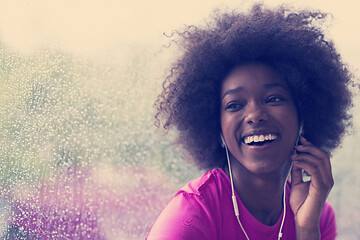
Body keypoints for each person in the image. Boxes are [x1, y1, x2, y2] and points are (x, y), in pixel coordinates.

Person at [147, 3, 353, 240]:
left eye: (273, 98)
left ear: (304, 113)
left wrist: (307, 229)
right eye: (235, 104)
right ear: (216, 128)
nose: (255, 115)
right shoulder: (191, 217)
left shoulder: (316, 212)